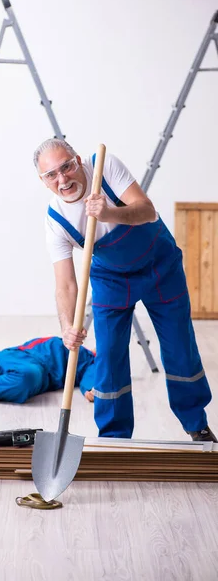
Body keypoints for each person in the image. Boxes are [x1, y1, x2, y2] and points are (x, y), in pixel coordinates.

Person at [34, 137, 216, 442]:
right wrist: (66, 326)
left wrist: (110, 214)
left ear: (77, 160)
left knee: (179, 347)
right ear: (44, 182)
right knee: (109, 358)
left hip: (160, 266)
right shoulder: (56, 221)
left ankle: (196, 424)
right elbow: (65, 284)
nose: (62, 178)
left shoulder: (103, 167)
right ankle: (114, 437)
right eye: (51, 174)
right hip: (111, 278)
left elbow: (146, 211)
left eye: (66, 166)